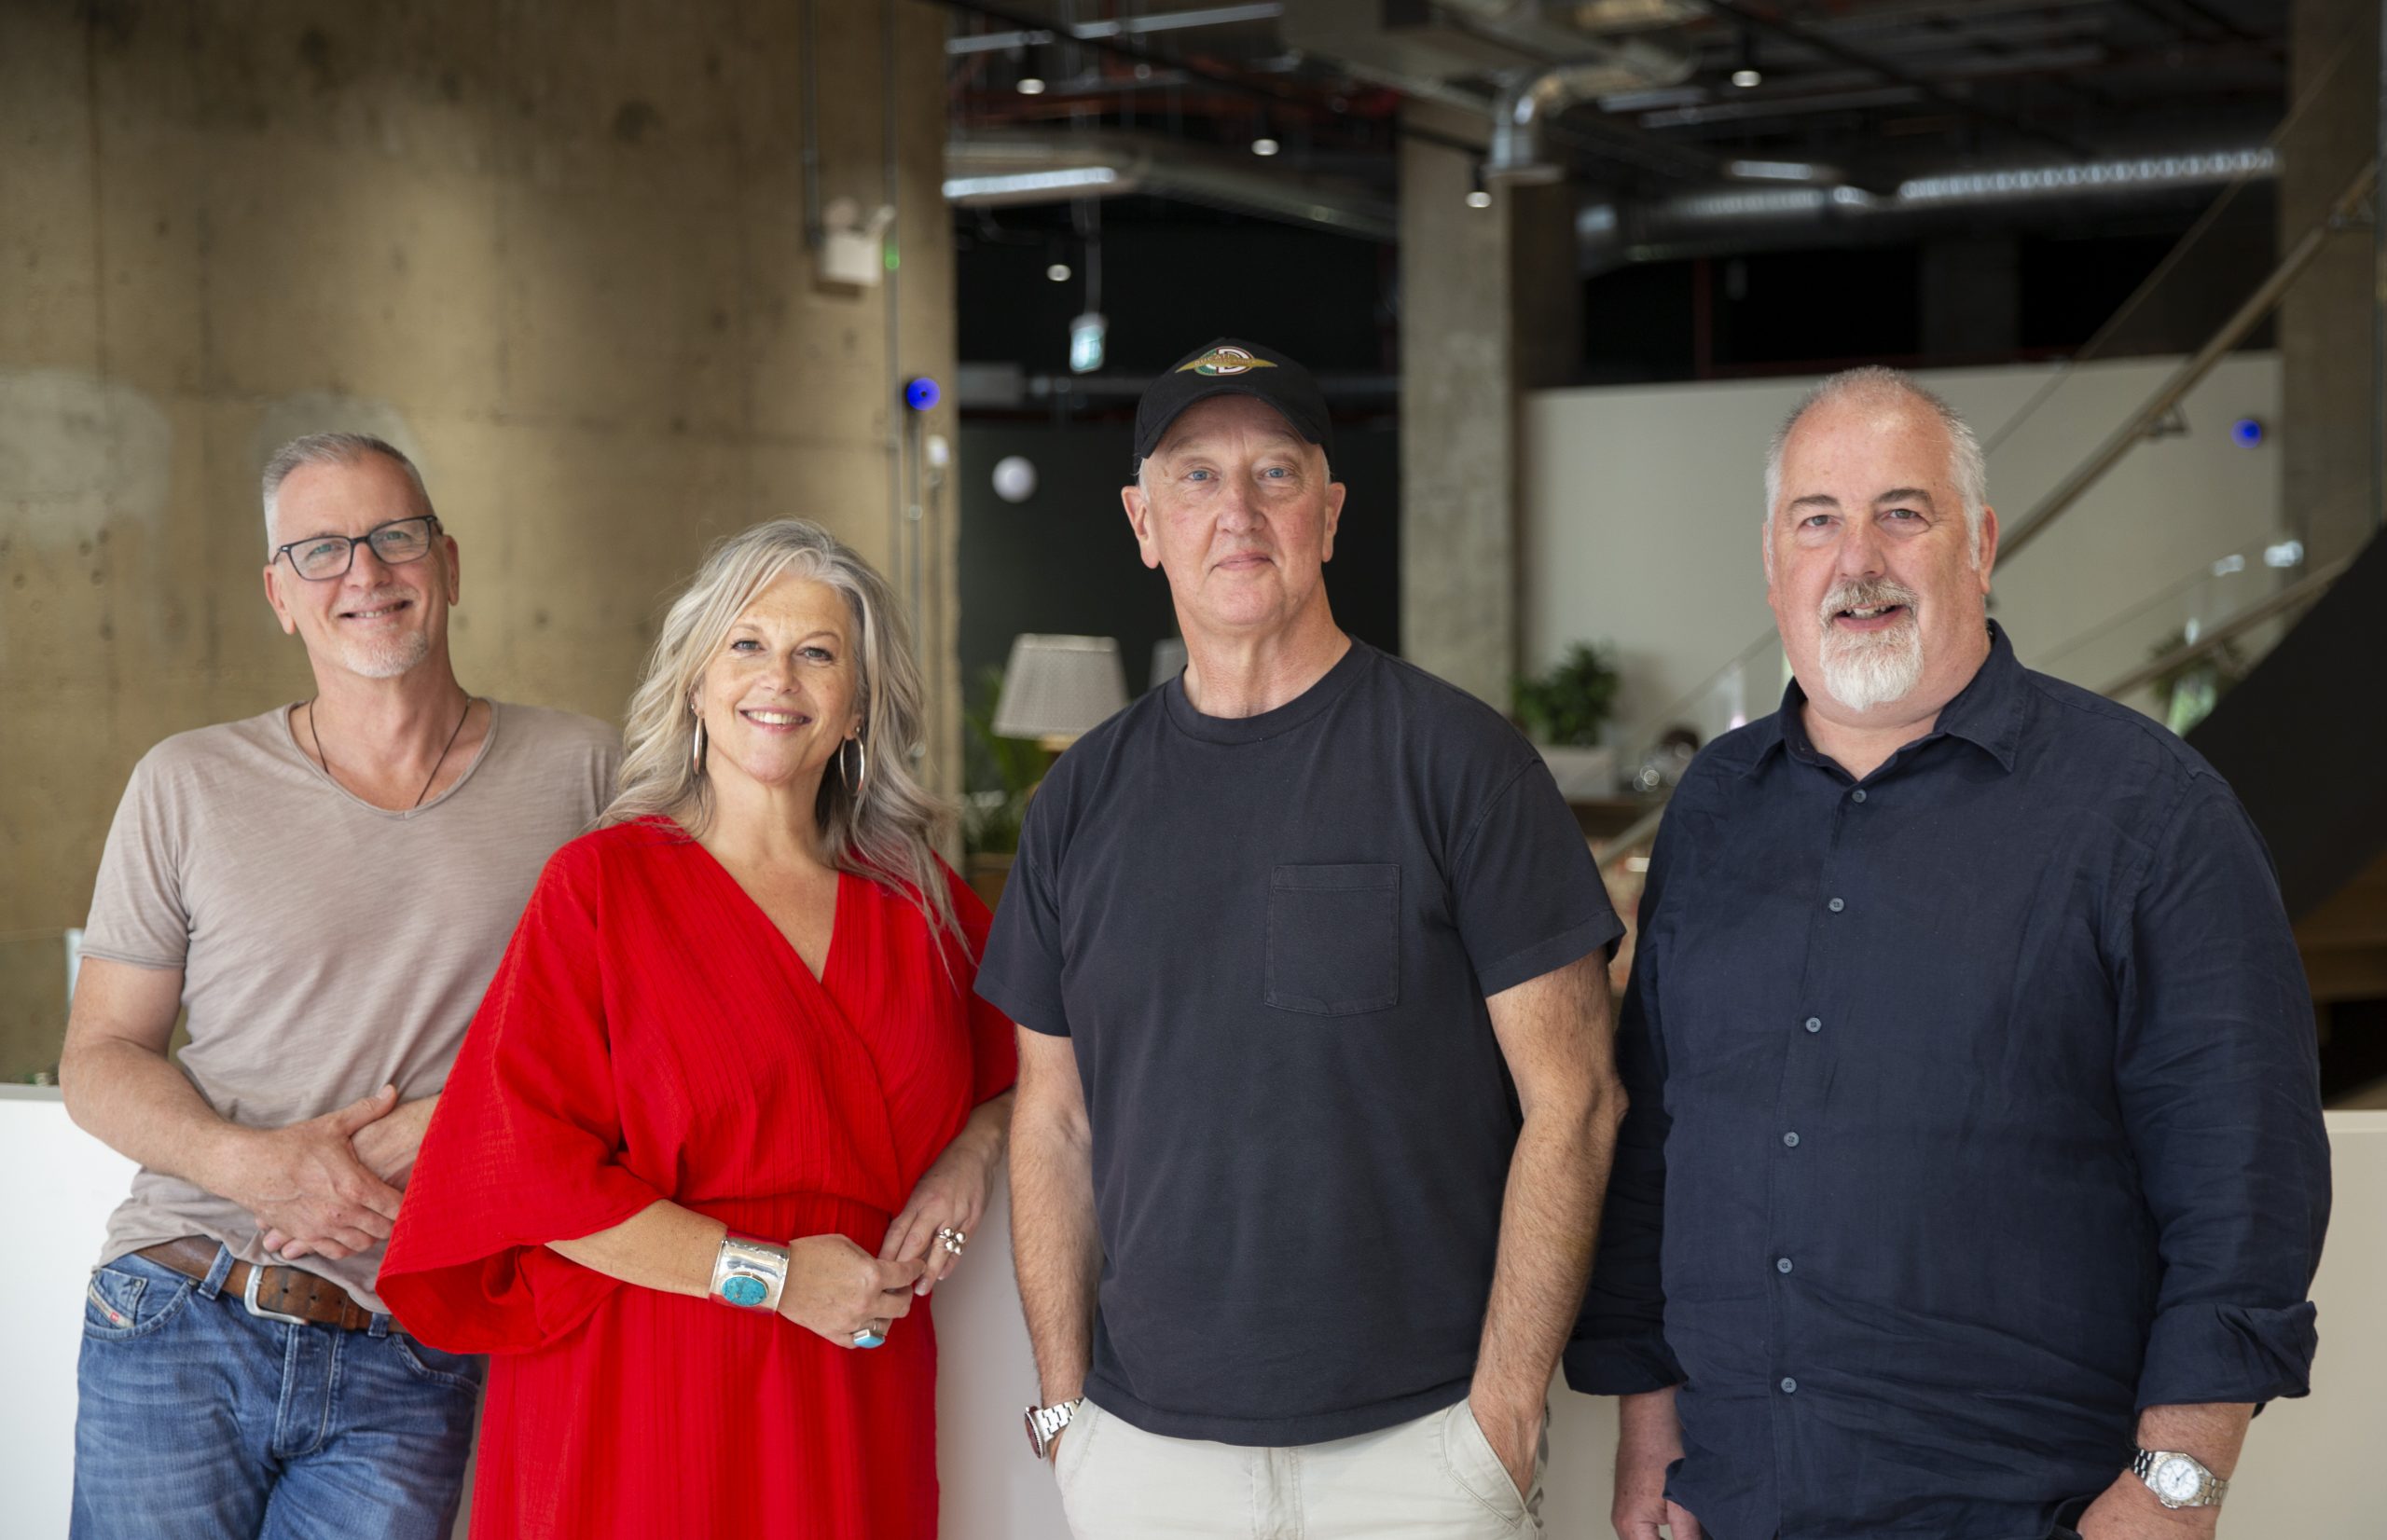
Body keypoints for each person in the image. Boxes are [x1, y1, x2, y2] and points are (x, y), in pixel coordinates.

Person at [1571, 366, 2331, 1540]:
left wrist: (2173, 1495)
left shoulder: (2149, 811)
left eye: (1901, 512)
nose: (1856, 559)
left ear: (1978, 544)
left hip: (2030, 1509)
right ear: (1772, 562)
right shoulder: (1715, 805)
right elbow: (1657, 1135)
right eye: (1816, 519)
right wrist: (1648, 1426)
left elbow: (2245, 1179)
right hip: (1734, 1503)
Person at [981, 338, 1628, 1539]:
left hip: (1419, 1453)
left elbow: (1576, 1097)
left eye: (1274, 473)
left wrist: (1502, 1409)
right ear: (1142, 523)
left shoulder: (1461, 763)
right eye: (1194, 476)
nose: (1237, 510)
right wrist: (1068, 1410)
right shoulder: (1078, 800)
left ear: (1328, 514)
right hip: (1146, 1460)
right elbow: (1053, 1118)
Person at [377, 518, 1016, 1539]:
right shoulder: (601, 886)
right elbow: (522, 1173)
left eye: (818, 653)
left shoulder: (920, 902)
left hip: (853, 1386)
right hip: (643, 1388)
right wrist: (774, 1277)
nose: (779, 678)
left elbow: (1041, 1058)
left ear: (858, 703)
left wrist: (973, 1154)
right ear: (695, 682)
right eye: (746, 643)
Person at [60, 432, 619, 1539]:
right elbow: (100, 1056)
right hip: (180, 1305)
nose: (363, 571)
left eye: (393, 537)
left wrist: (452, 1126)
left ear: (448, 564)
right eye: (319, 549)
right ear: (279, 594)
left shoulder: (589, 776)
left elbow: (650, 1047)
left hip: (412, 1344)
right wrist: (255, 1165)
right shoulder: (186, 781)